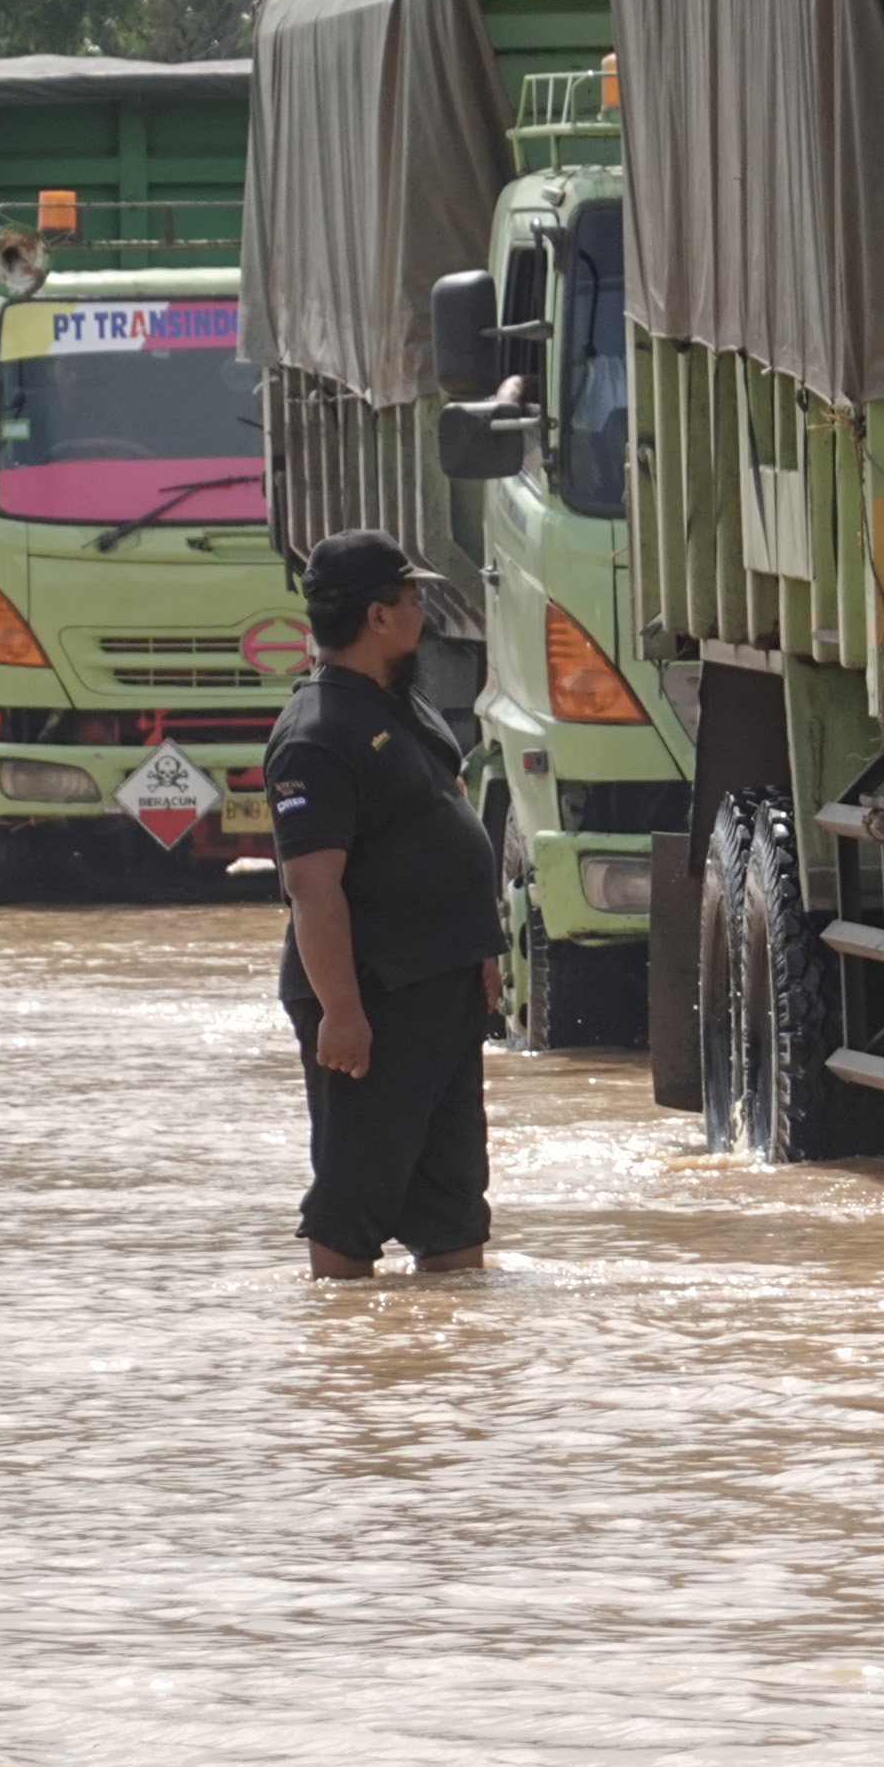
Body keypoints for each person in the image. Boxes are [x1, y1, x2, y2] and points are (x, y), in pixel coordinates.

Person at [263, 531, 505, 1279]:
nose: (423, 611)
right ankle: (344, 1360)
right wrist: (342, 1010)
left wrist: (482, 955)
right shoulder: (316, 735)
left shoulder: (401, 707)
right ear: (376, 617)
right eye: (413, 598)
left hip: (440, 989)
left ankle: (445, 1363)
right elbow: (313, 888)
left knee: (454, 1203)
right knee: (355, 1195)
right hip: (375, 995)